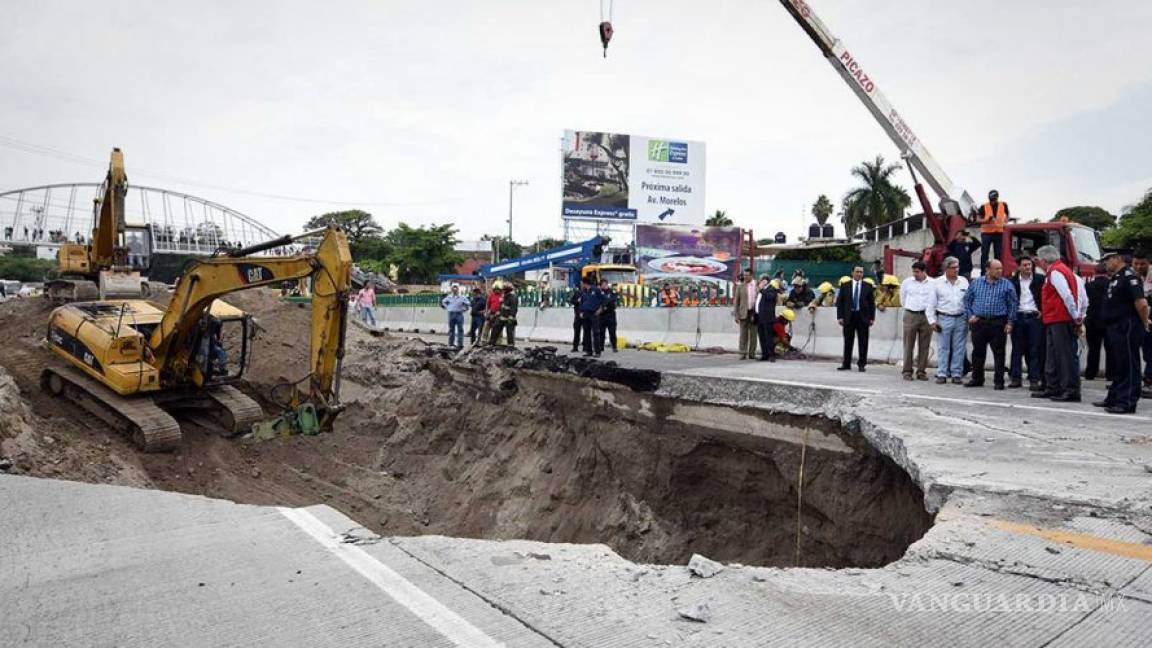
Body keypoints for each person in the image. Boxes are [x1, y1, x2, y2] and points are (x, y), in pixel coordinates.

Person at [1094, 251, 1151, 414]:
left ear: (1117, 259)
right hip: (1115, 326)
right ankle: (1114, 397)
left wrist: (1144, 322)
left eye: (1108, 260)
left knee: (1128, 365)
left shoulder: (1129, 277)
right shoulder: (1116, 277)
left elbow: (1142, 304)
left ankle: (1127, 401)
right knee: (1120, 364)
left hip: (1127, 326)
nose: (1105, 264)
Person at [1030, 245, 1082, 402]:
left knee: (1064, 356)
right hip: (1054, 319)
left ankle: (1070, 390)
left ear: (1044, 260)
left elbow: (1067, 296)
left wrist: (1075, 316)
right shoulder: (1059, 270)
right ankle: (1053, 387)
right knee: (1052, 355)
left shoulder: (1056, 272)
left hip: (1060, 318)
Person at [963, 259, 1017, 389]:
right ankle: (977, 378)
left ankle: (999, 381)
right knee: (978, 352)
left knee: (999, 353)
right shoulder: (976, 283)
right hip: (979, 322)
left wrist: (1010, 322)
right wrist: (970, 316)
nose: (1000, 271)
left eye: (1001, 268)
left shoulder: (1007, 285)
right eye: (996, 268)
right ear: (987, 269)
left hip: (998, 322)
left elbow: (1012, 305)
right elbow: (967, 300)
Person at [926, 256, 969, 384]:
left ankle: (956, 373)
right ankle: (942, 373)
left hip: (961, 318)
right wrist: (932, 321)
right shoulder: (937, 283)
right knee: (943, 347)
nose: (956, 270)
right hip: (944, 318)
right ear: (946, 268)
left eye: (957, 267)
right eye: (953, 267)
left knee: (959, 348)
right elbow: (931, 303)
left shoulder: (964, 281)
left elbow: (968, 300)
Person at [1008, 256, 1046, 390]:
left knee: (1035, 350)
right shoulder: (1012, 282)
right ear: (1018, 267)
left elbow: (1046, 296)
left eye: (1029, 265)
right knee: (1017, 350)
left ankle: (1034, 378)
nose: (1027, 267)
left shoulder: (1040, 280)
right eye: (1024, 265)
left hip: (1034, 317)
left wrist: (1042, 310)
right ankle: (1016, 378)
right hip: (1018, 317)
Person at [835, 266, 875, 372]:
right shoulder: (845, 286)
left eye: (861, 272)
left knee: (863, 341)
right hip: (849, 316)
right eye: (857, 272)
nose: (859, 274)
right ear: (852, 272)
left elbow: (871, 303)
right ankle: (846, 363)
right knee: (848, 341)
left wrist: (871, 318)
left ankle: (861, 364)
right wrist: (840, 316)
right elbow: (840, 302)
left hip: (863, 317)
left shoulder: (868, 286)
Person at [900, 261, 934, 380]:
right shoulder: (907, 282)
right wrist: (909, 309)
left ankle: (921, 371)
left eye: (917, 272)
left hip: (926, 316)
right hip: (911, 314)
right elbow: (902, 299)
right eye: (913, 271)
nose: (915, 274)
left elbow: (934, 300)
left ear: (924, 271)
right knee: (908, 344)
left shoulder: (932, 283)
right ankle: (907, 371)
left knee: (924, 345)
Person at [1133, 250, 1152, 391]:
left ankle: (1149, 381)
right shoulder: (1134, 277)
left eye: (1142, 264)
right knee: (1145, 352)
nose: (1139, 267)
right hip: (1141, 321)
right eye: (1136, 264)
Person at [978, 190, 1009, 272]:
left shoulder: (1003, 205)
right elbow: (978, 220)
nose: (993, 202)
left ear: (997, 198)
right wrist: (986, 220)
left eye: (994, 200)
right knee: (985, 253)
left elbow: (1007, 215)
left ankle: (997, 270)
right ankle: (983, 272)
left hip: (999, 232)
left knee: (998, 253)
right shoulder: (983, 206)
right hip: (986, 233)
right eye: (991, 200)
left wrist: (1005, 222)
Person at [733, 272, 759, 360]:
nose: (745, 276)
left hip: (754, 312)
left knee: (753, 335)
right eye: (744, 275)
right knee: (743, 335)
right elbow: (736, 301)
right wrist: (736, 315)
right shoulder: (740, 286)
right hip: (743, 312)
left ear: (751, 275)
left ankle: (752, 353)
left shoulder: (756, 285)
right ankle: (742, 353)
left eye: (747, 275)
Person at [578, 278, 604, 356]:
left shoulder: (596, 290)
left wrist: (600, 309)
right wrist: (581, 312)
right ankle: (589, 351)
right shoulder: (583, 292)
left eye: (582, 283)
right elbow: (581, 303)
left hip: (594, 313)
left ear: (585, 283)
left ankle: (597, 352)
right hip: (586, 314)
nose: (581, 285)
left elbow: (603, 300)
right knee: (586, 333)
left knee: (595, 333)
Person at [754, 275, 778, 362]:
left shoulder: (772, 289)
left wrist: (761, 289)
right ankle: (765, 354)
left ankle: (771, 354)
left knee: (768, 337)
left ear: (765, 281)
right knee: (762, 337)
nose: (760, 282)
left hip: (768, 317)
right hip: (760, 316)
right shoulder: (762, 290)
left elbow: (769, 297)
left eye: (761, 280)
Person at [441, 283, 470, 349]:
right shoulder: (449, 297)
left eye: (456, 287)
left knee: (460, 329)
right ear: (451, 289)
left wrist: (465, 308)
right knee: (451, 329)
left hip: (459, 314)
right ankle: (451, 343)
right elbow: (443, 302)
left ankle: (460, 344)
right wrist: (447, 307)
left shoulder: (462, 297)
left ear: (458, 289)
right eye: (453, 287)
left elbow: (468, 303)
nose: (454, 289)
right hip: (451, 314)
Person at [598, 280, 619, 353]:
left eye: (605, 284)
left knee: (612, 332)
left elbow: (612, 299)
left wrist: (604, 303)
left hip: (610, 315)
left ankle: (614, 346)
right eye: (602, 285)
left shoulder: (612, 292)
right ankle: (601, 347)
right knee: (601, 332)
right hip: (602, 315)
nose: (604, 286)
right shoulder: (599, 292)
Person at [483, 281, 504, 346]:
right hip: (491, 314)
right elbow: (487, 304)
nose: (497, 290)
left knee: (499, 330)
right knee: (486, 327)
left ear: (500, 289)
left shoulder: (503, 296)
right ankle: (484, 341)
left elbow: (504, 306)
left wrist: (500, 313)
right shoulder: (491, 295)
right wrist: (487, 312)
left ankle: (498, 343)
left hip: (499, 315)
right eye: (495, 289)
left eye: (498, 289)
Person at [568, 287, 582, 352]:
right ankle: (575, 347)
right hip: (578, 315)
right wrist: (577, 301)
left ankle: (586, 347)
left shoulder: (588, 293)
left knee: (587, 332)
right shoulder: (577, 293)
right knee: (577, 331)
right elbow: (571, 301)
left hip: (586, 315)